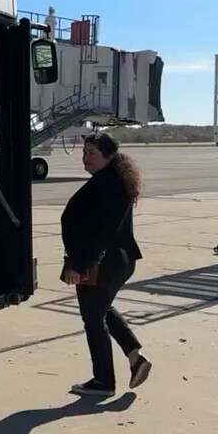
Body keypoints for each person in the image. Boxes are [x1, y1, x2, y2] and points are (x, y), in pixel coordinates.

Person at [61, 132, 151, 396]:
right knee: (102, 309)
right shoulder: (111, 181)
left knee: (93, 319)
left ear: (108, 156)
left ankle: (103, 382)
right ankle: (136, 358)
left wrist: (78, 265)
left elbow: (101, 232)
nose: (85, 158)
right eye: (84, 152)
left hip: (102, 263)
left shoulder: (106, 185)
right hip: (115, 261)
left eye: (91, 153)